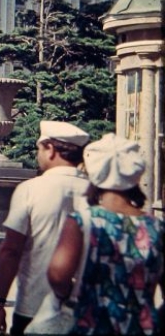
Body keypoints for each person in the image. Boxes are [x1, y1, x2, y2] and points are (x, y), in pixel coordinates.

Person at [48, 133, 164, 335]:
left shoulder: (82, 221)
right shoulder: (157, 227)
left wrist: (67, 296)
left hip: (93, 324)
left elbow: (58, 274)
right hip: (142, 328)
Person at [0, 120, 91, 335]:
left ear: (51, 149)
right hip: (85, 312)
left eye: (39, 148)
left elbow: (11, 251)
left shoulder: (30, 190)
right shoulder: (96, 193)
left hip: (33, 307)